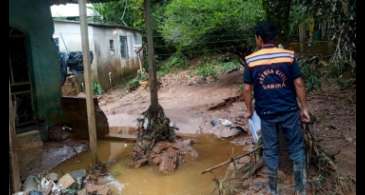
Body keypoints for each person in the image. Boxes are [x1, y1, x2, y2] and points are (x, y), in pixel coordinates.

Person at [243, 21, 310, 195]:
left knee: (270, 151)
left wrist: (249, 111)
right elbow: (298, 82)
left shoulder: (250, 60)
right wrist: (304, 109)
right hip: (289, 110)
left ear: (259, 38)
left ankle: (273, 191)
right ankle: (301, 190)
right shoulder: (288, 56)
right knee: (296, 148)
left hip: (266, 113)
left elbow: (246, 89)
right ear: (274, 37)